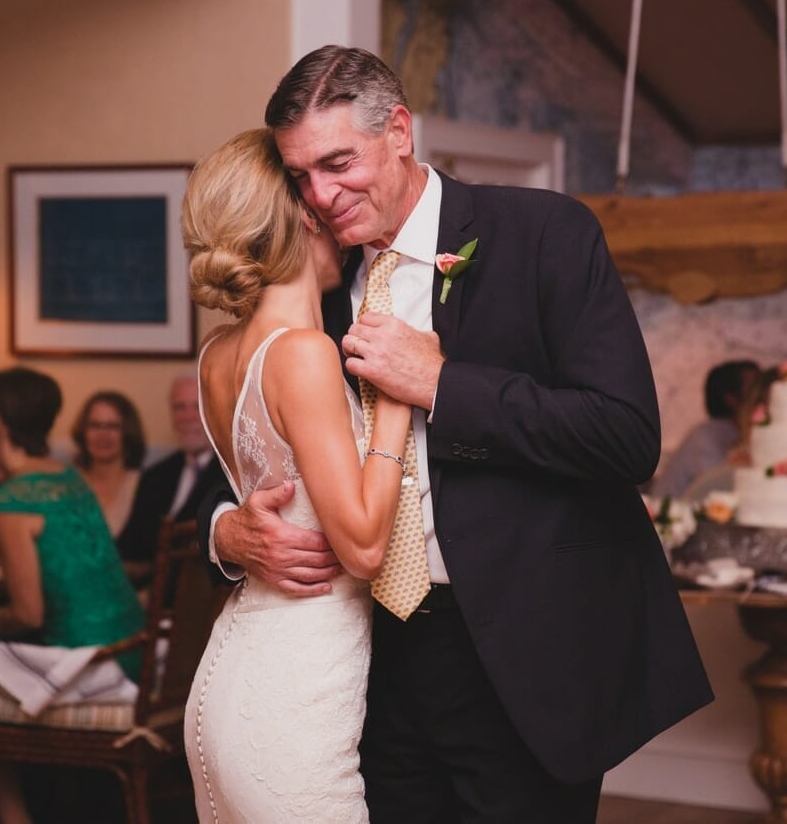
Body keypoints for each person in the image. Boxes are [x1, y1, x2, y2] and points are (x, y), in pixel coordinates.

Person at [202, 46, 713, 822]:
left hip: (522, 658)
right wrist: (227, 532)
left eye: (339, 162)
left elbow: (625, 436)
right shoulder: (314, 284)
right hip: (370, 667)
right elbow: (259, 439)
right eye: (301, 175)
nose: (322, 196)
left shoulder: (543, 233)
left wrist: (444, 385)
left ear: (399, 131)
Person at [181, 127, 414, 822]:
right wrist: (399, 404)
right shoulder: (305, 354)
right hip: (293, 702)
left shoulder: (216, 355)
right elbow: (365, 548)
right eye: (314, 193)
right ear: (302, 217)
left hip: (226, 684)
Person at [0, 367, 145, 824]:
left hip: (89, 665)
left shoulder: (12, 499)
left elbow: (29, 613)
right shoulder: (69, 477)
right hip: (133, 649)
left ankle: (8, 815)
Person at [120, 375, 225, 563]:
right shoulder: (155, 475)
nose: (188, 417)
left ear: (214, 411)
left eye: (197, 407)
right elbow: (130, 545)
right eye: (180, 407)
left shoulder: (231, 473)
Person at [651, 359, 759, 499]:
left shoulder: (744, 433)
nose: (760, 393)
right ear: (730, 398)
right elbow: (719, 490)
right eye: (753, 388)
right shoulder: (707, 436)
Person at [71, 390, 148, 557]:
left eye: (113, 426)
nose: (102, 435)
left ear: (128, 433)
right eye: (94, 425)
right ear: (83, 433)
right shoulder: (67, 483)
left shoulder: (145, 485)